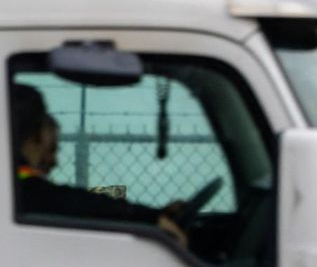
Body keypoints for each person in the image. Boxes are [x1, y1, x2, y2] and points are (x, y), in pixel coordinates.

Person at [11, 83, 189, 247]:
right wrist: (147, 216)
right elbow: (60, 199)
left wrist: (153, 213)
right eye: (52, 149)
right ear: (37, 134)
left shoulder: (15, 180)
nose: (54, 162)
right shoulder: (19, 180)